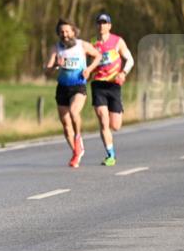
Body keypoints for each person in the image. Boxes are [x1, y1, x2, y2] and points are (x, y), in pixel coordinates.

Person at [45, 19, 101, 168]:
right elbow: (46, 70)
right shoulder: (56, 49)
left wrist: (89, 69)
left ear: (73, 32)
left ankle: (78, 138)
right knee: (65, 124)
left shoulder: (82, 45)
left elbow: (98, 56)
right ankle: (76, 152)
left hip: (78, 86)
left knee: (73, 112)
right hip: (62, 87)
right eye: (62, 32)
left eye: (67, 31)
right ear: (58, 33)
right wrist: (56, 64)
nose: (65, 34)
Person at [89, 13, 134, 166]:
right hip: (98, 84)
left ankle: (119, 108)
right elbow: (87, 63)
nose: (101, 26)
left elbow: (130, 59)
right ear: (96, 25)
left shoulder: (117, 41)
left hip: (114, 84)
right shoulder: (92, 43)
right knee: (103, 120)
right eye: (99, 23)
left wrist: (123, 73)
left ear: (109, 26)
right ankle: (110, 155)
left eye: (104, 23)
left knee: (115, 125)